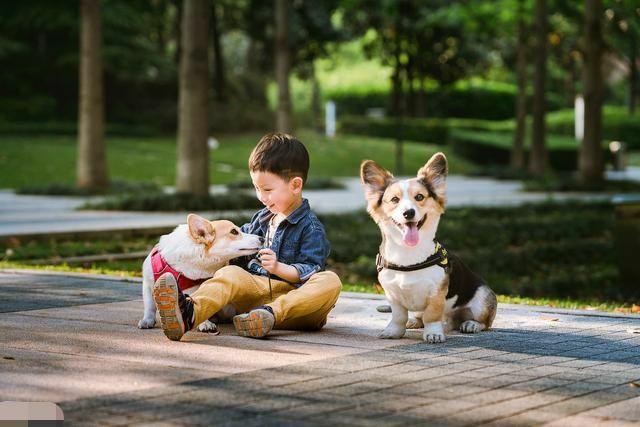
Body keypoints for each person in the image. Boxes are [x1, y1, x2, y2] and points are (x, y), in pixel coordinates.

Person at [152, 133, 342, 341]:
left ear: (295, 185)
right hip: (255, 297)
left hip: (297, 306)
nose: (261, 196)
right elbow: (231, 246)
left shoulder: (311, 228)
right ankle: (189, 313)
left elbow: (310, 269)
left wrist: (278, 268)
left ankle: (268, 315)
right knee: (231, 272)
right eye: (257, 188)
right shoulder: (261, 220)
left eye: (268, 189)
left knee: (330, 281)